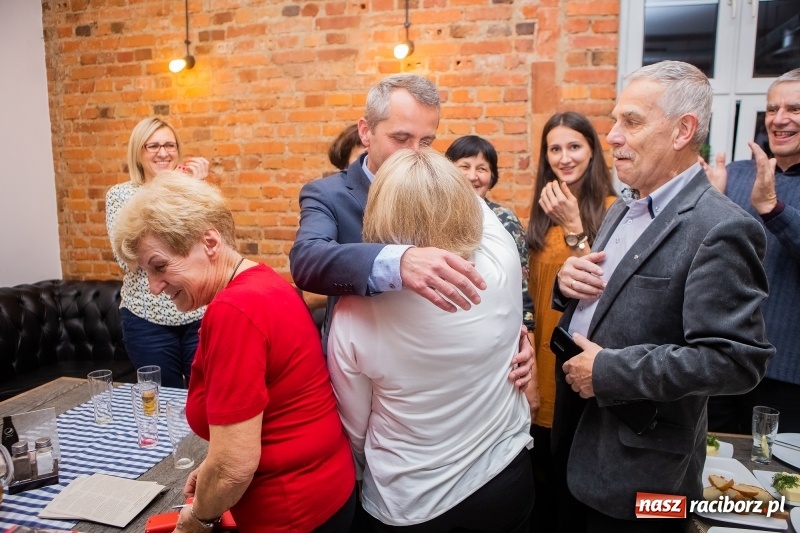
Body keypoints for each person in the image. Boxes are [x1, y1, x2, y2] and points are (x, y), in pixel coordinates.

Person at [553, 60, 774, 532]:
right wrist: (567, 285)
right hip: (581, 441)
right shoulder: (624, 206)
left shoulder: (721, 226)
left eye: (631, 122)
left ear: (682, 131)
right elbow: (611, 301)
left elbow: (736, 361)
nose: (611, 136)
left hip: (645, 475)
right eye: (615, 121)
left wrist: (611, 370)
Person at [110, 171, 356, 533]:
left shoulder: (234, 311)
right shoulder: (264, 281)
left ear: (210, 242)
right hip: (328, 491)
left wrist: (197, 519)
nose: (154, 286)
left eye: (160, 266)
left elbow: (233, 468)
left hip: (290, 510)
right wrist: (212, 468)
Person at [328, 148, 534, 532]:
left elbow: (355, 429)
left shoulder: (355, 314)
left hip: (413, 501)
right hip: (506, 474)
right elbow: (467, 201)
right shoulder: (499, 255)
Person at [289, 73, 533, 383]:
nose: (415, 153)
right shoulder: (328, 194)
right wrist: (399, 261)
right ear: (366, 131)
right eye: (401, 139)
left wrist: (512, 337)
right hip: (361, 369)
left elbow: (487, 270)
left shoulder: (446, 188)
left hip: (439, 366)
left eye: (427, 141)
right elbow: (307, 260)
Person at [524, 111, 616, 532]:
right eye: (555, 148)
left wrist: (575, 225)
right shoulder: (541, 213)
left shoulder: (614, 210)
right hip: (540, 363)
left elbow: (608, 287)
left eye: (574, 146)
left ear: (593, 151)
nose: (564, 157)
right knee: (539, 478)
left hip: (584, 363)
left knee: (573, 485)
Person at [702, 67, 800, 433]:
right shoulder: (738, 174)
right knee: (712, 473)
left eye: (794, 109)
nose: (780, 119)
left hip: (788, 373)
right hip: (722, 359)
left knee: (778, 482)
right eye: (773, 108)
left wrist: (774, 208)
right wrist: (710, 200)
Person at [105, 117, 209, 388]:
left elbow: (204, 246)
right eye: (153, 146)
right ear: (138, 153)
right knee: (162, 401)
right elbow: (128, 258)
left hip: (198, 313)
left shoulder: (193, 191)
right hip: (146, 319)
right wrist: (175, 193)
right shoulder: (120, 195)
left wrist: (193, 190)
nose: (163, 153)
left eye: (169, 145)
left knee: (206, 396)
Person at [445, 135, 535, 333]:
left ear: (492, 177)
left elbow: (521, 285)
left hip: (497, 327)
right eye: (464, 166)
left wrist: (526, 333)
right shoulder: (437, 218)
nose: (472, 176)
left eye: (482, 168)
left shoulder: (505, 220)